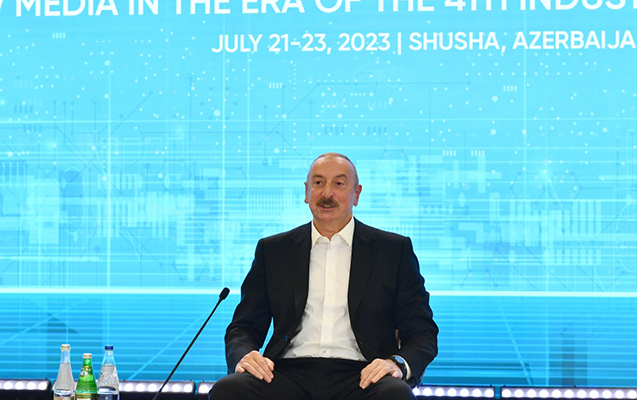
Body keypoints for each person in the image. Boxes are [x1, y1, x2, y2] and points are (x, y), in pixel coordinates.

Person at [209, 153, 438, 400]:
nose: (327, 193)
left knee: (395, 394)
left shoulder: (393, 251)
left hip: (363, 375)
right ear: (307, 192)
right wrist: (245, 355)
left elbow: (421, 331)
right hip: (285, 373)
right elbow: (244, 327)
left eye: (339, 184)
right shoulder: (274, 250)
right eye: (318, 183)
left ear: (356, 194)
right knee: (228, 390)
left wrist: (397, 363)